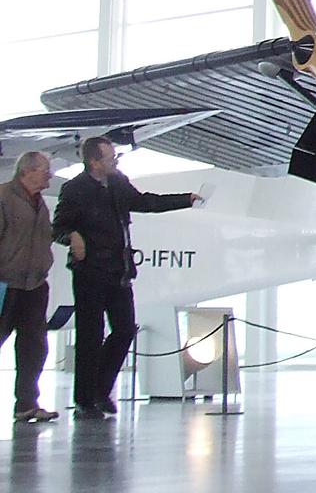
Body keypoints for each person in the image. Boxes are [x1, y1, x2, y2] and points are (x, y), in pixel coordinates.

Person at [51, 137, 199, 418]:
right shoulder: (75, 189)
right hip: (90, 272)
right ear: (94, 161)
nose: (114, 162)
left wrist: (184, 200)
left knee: (124, 329)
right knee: (90, 335)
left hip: (119, 271)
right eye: (110, 158)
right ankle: (85, 399)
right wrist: (72, 237)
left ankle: (100, 389)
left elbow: (144, 202)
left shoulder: (118, 183)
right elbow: (58, 227)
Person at [0, 151, 59, 424]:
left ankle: (27, 404)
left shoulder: (40, 203)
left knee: (34, 347)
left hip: (34, 284)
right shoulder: (3, 198)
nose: (49, 174)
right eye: (45, 170)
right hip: (5, 284)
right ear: (28, 172)